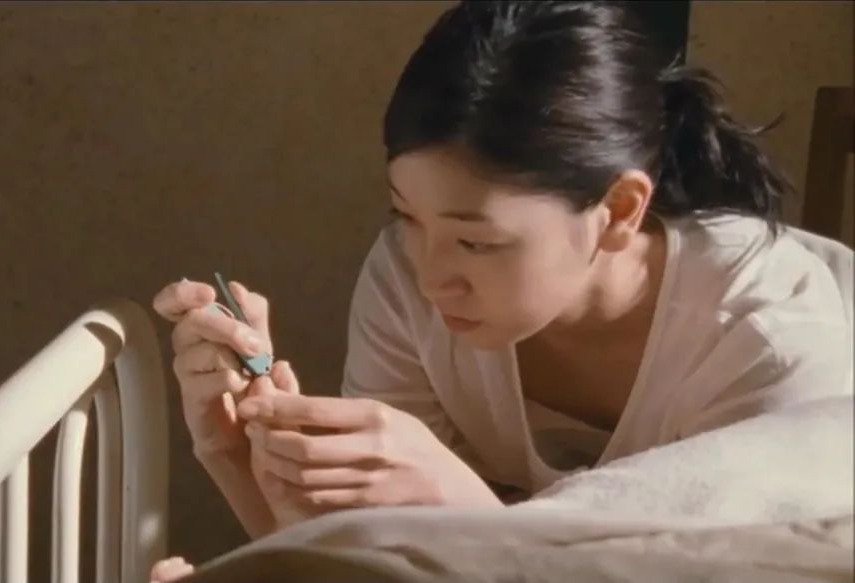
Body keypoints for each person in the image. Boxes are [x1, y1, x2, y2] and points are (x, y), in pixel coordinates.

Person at [150, 1, 852, 577]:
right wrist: (243, 459)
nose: (431, 277)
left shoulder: (765, 341)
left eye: (477, 242)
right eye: (406, 216)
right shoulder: (403, 278)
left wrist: (462, 506)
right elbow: (386, 566)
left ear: (617, 212)